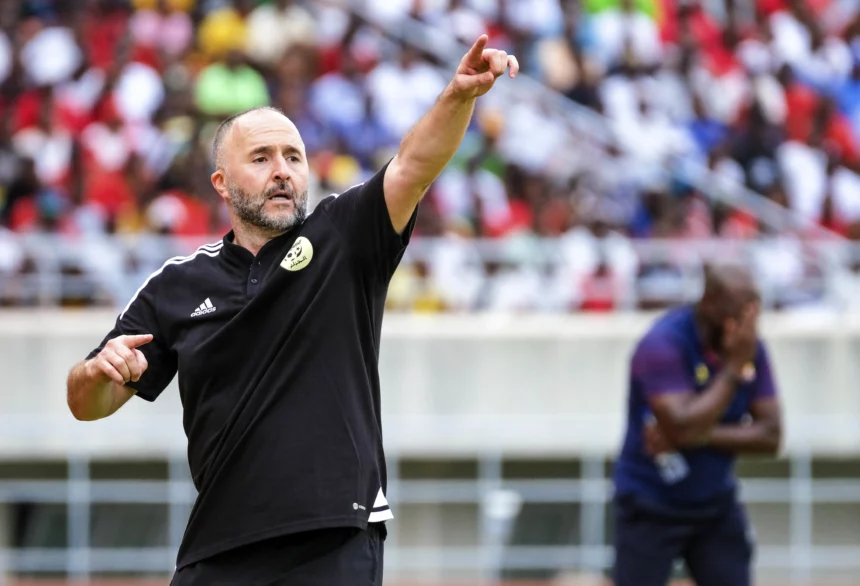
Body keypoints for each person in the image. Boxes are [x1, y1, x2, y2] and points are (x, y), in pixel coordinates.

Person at [65, 35, 518, 585]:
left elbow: (412, 166)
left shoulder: (343, 236)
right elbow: (87, 403)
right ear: (221, 184)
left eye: (293, 157)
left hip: (333, 538)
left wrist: (458, 96)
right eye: (261, 158)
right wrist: (99, 371)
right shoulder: (176, 285)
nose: (282, 170)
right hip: (218, 547)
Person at [612, 261, 783, 586]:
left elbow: (771, 436)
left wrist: (695, 436)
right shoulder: (662, 344)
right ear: (710, 304)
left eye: (753, 315)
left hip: (714, 502)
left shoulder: (748, 346)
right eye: (738, 315)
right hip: (650, 502)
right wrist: (733, 370)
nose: (746, 327)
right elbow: (683, 425)